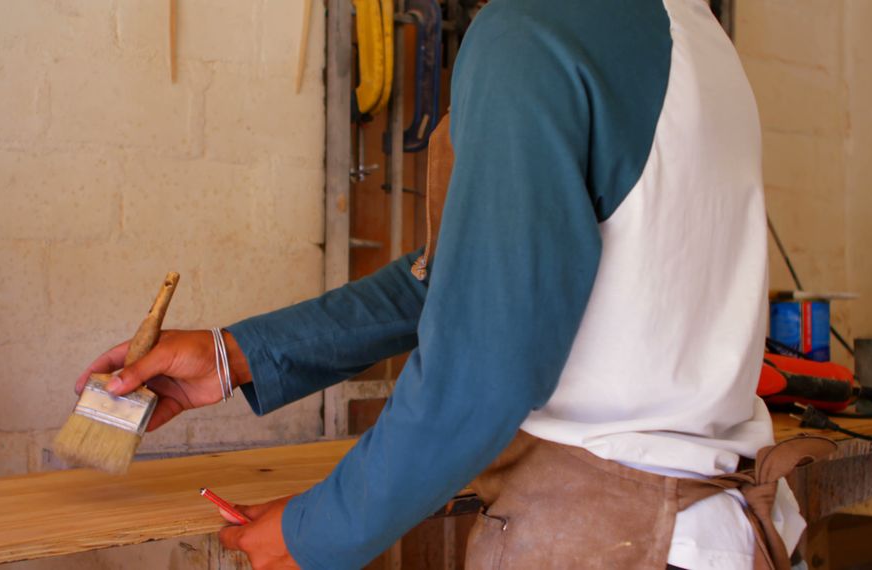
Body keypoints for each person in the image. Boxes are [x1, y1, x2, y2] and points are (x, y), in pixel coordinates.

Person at [78, 0, 813, 568]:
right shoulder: (692, 33)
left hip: (609, 541)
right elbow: (464, 278)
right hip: (702, 531)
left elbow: (482, 368)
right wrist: (231, 356)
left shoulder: (531, 35)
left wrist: (319, 531)